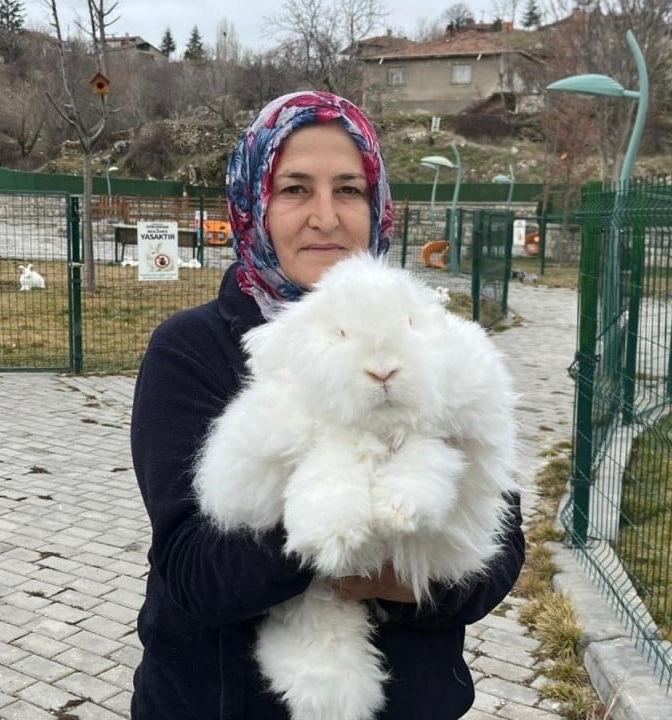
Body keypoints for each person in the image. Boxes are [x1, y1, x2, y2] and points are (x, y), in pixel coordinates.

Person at [129, 90, 526, 720]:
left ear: (378, 206)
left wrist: (414, 564)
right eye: (294, 190)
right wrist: (340, 531)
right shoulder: (192, 349)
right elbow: (194, 572)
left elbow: (499, 552)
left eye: (348, 189)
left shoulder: (431, 339)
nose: (325, 217)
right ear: (253, 205)